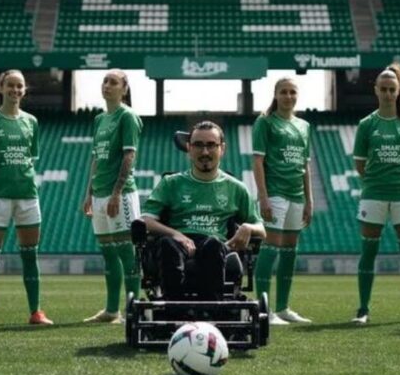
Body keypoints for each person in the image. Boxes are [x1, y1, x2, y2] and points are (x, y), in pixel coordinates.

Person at [142, 121, 266, 299]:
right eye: (198, 145)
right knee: (167, 245)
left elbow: (261, 229)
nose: (205, 152)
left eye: (211, 145)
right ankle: (173, 307)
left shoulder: (236, 188)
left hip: (217, 245)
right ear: (189, 148)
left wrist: (248, 228)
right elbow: (146, 220)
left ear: (222, 148)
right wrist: (175, 234)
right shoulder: (170, 183)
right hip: (177, 243)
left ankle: (212, 308)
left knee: (213, 245)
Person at [0, 70, 53, 327]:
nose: (15, 90)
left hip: (27, 196)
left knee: (30, 256)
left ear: (24, 90)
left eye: (20, 86)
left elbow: (31, 160)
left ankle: (36, 312)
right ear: (0, 88)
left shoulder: (32, 122)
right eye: (10, 85)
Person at [351, 65, 400, 325]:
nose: (387, 94)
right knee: (368, 252)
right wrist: (376, 181)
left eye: (391, 89)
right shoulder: (366, 124)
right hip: (373, 193)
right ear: (376, 90)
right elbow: (360, 164)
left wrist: (398, 180)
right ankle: (363, 310)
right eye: (383, 89)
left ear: (398, 92)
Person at [80, 70, 144, 323]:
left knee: (126, 252)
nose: (107, 85)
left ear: (124, 89)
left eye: (113, 82)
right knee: (108, 252)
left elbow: (129, 156)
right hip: (99, 194)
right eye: (105, 81)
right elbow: (96, 158)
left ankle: (132, 309)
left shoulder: (127, 117)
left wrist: (117, 193)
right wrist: (89, 193)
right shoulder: (99, 120)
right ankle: (111, 310)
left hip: (122, 195)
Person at [251, 77, 314, 325]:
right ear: (276, 95)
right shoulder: (265, 122)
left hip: (297, 195)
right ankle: (264, 308)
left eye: (292, 92)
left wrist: (310, 200)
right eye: (284, 92)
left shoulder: (304, 126)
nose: (288, 96)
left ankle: (284, 307)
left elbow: (306, 166)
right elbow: (257, 161)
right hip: (275, 193)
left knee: (290, 252)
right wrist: (263, 196)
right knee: (270, 249)